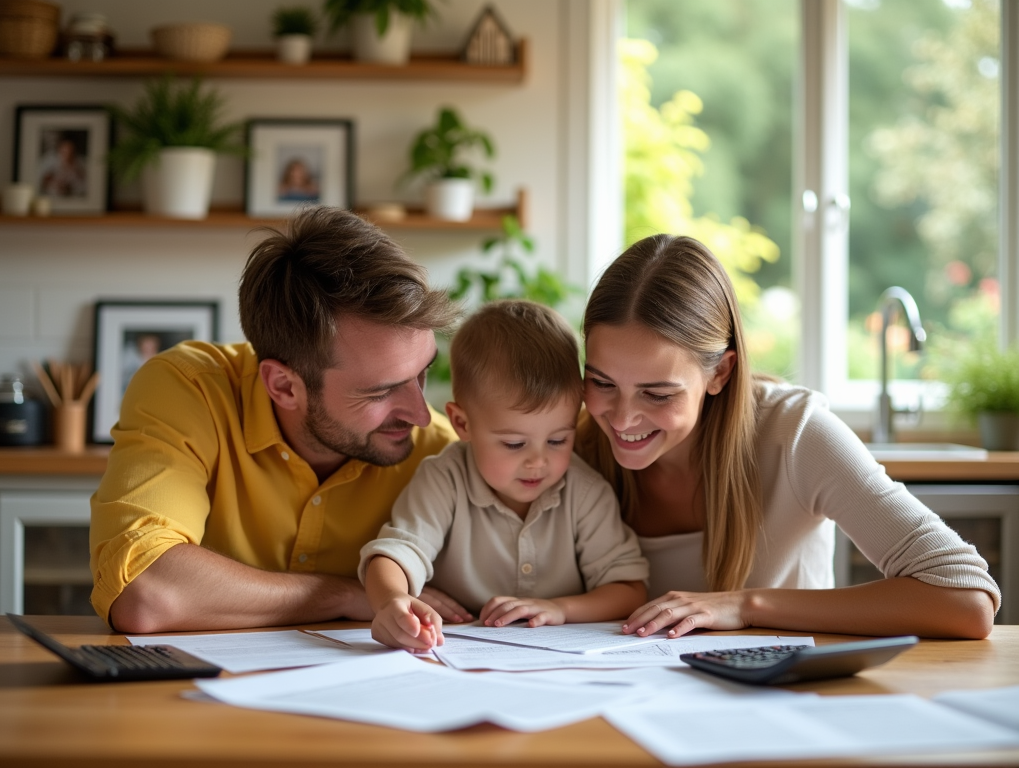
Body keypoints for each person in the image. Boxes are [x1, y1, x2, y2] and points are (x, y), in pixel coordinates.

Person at [575, 234, 1000, 641]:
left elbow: (967, 599)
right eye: (602, 383)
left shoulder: (795, 433)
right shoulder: (566, 447)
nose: (623, 418)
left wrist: (747, 606)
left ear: (720, 373)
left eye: (657, 393)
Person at [90, 206, 469, 634]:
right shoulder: (190, 388)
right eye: (380, 391)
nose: (421, 414)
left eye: (422, 374)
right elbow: (146, 593)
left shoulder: (442, 454)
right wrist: (346, 594)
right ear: (284, 386)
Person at [361, 299, 649, 652]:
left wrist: (560, 608)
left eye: (559, 439)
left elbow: (628, 589)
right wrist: (392, 601)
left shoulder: (585, 491)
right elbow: (393, 555)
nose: (538, 462)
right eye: (514, 443)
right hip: (459, 651)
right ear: (462, 423)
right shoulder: (443, 479)